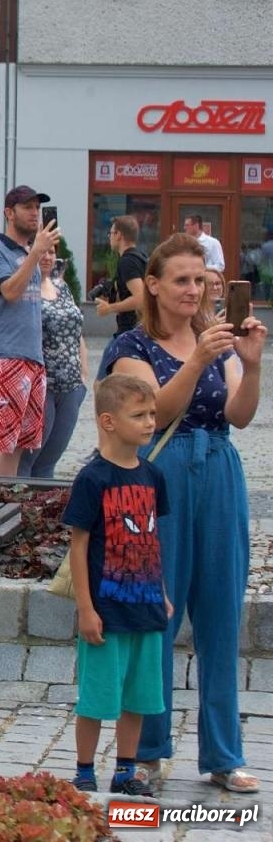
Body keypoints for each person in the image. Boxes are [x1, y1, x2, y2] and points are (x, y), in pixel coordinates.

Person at [101, 234, 264, 794]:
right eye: (182, 280)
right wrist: (198, 359)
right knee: (155, 618)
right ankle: (146, 752)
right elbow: (152, 412)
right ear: (153, 285)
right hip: (157, 476)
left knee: (221, 615)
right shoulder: (132, 346)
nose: (194, 290)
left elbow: (239, 415)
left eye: (201, 280)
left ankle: (223, 754)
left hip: (218, 467)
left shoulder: (213, 343)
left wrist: (251, 365)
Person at [64, 373, 170, 797]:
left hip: (145, 607)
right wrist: (86, 608)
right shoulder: (93, 479)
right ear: (108, 422)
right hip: (106, 612)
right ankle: (84, 770)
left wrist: (160, 591)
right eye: (139, 415)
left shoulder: (153, 476)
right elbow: (78, 544)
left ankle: (126, 769)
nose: (149, 423)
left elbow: (151, 540)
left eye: (152, 414)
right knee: (96, 697)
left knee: (138, 697)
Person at [0, 186, 61, 478]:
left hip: (33, 359)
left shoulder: (29, 254)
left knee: (19, 444)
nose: (35, 213)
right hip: (7, 356)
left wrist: (36, 255)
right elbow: (9, 291)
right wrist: (36, 253)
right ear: (9, 213)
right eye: (27, 207)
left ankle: (3, 506)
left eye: (37, 207)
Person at [18, 248, 89, 479]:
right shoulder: (22, 290)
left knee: (50, 461)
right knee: (28, 459)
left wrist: (83, 377)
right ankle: (18, 509)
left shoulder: (62, 287)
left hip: (71, 385)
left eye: (52, 252)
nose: (48, 257)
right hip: (41, 384)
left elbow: (77, 332)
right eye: (42, 251)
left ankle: (42, 512)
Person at [96, 215, 146, 334]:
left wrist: (109, 308)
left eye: (111, 233)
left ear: (118, 235)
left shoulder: (127, 261)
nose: (110, 237)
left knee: (110, 351)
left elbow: (140, 299)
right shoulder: (140, 257)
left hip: (131, 329)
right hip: (139, 327)